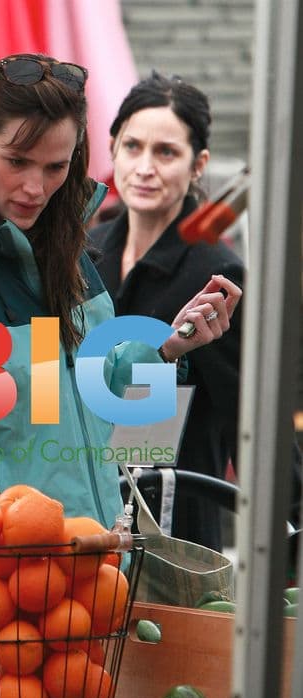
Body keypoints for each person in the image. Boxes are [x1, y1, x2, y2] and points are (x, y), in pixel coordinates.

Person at [0, 55, 241, 692]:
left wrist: (169, 349)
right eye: (18, 161)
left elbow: (79, 391)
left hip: (78, 592)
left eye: (56, 167)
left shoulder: (64, 253)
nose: (35, 186)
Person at [90, 71, 301, 551]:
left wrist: (293, 513)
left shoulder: (219, 276)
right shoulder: (81, 253)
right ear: (113, 148)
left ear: (198, 164)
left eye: (166, 152)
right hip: (79, 521)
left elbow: (254, 416)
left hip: (173, 533)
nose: (145, 167)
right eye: (133, 146)